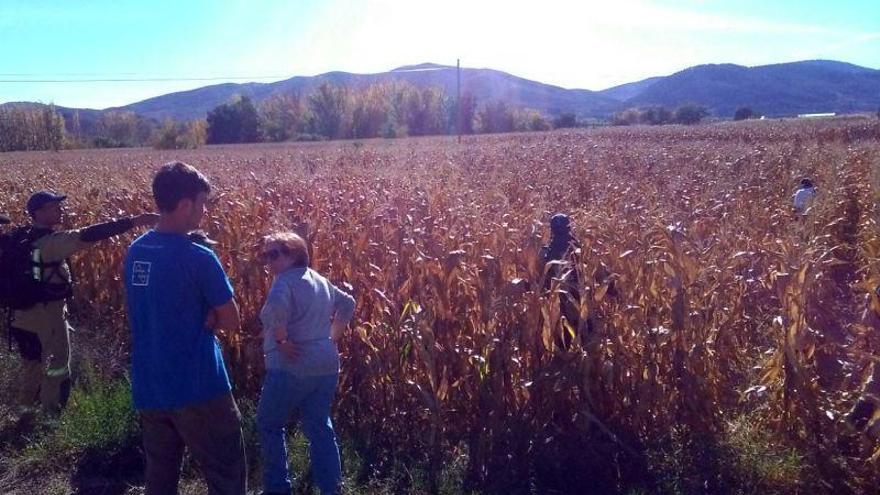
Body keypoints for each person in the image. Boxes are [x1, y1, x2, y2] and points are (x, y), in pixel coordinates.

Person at [124, 162, 246, 495]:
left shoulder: (136, 251)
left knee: (160, 480)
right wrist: (210, 313)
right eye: (202, 203)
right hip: (199, 386)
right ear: (185, 205)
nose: (204, 212)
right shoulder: (199, 257)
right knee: (226, 475)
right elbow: (232, 320)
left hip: (150, 386)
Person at [5, 191, 156, 414]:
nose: (60, 209)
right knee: (57, 367)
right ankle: (51, 416)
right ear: (37, 213)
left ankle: (25, 413)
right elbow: (88, 235)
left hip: (20, 317)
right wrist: (134, 221)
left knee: (32, 365)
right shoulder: (49, 244)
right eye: (53, 206)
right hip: (47, 318)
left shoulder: (22, 238)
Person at [256, 231, 355, 495]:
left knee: (269, 423)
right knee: (319, 425)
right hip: (326, 364)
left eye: (275, 254)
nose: (268, 261)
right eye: (266, 255)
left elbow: (276, 308)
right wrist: (332, 337)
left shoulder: (283, 282)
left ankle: (278, 489)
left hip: (292, 365)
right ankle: (331, 488)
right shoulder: (319, 279)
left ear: (294, 254)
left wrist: (281, 341)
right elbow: (348, 303)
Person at [540, 213, 582, 346]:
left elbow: (543, 274)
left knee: (561, 326)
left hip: (557, 295)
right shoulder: (577, 246)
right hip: (578, 294)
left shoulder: (551, 248)